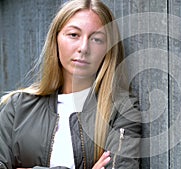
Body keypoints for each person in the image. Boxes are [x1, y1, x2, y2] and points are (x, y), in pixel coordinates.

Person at [0, 0, 141, 169]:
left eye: (97, 39)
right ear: (56, 39)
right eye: (74, 35)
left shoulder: (121, 109)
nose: (83, 48)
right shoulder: (17, 108)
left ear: (108, 50)